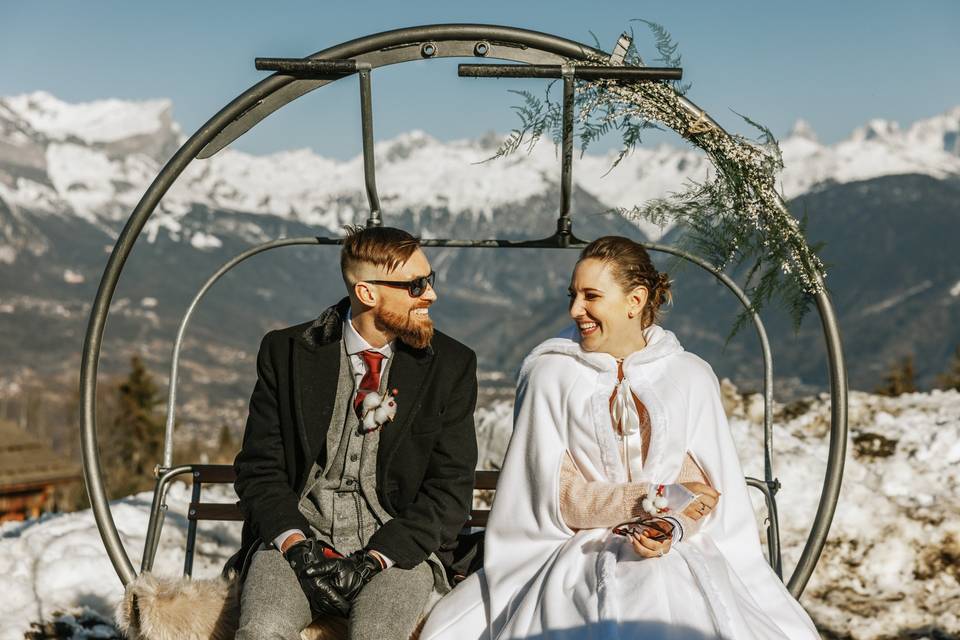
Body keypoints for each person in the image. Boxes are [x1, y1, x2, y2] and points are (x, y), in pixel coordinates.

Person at [421, 236, 820, 639]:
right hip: (577, 552)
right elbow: (563, 498)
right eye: (573, 295)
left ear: (636, 300)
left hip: (678, 552)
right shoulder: (550, 375)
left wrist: (669, 529)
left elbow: (704, 490)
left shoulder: (690, 376)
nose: (576, 309)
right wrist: (648, 500)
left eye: (591, 296)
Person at [231, 226, 479, 640]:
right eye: (416, 286)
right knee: (261, 631)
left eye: (429, 281)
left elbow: (449, 490)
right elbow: (260, 470)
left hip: (398, 551)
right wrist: (296, 545)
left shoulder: (450, 366)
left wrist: (377, 558)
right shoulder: (287, 352)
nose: (430, 295)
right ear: (367, 294)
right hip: (297, 543)